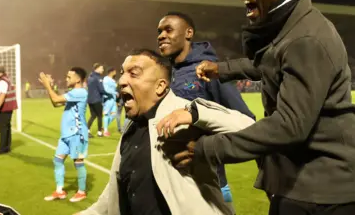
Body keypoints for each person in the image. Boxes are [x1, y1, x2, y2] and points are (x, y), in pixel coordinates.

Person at [172, 0, 355, 215]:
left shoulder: (305, 39)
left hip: (325, 182)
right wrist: (222, 70)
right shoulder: (292, 28)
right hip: (308, 175)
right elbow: (268, 63)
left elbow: (289, 126)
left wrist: (208, 148)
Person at [74, 49, 254, 215]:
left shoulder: (185, 112)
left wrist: (198, 114)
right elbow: (115, 192)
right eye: (122, 73)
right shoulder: (132, 127)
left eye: (133, 73)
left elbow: (251, 130)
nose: (121, 81)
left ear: (160, 86)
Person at [157, 11, 255, 204]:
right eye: (159, 31)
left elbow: (246, 122)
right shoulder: (163, 73)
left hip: (209, 185)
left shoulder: (208, 70)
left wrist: (206, 149)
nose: (161, 36)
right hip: (170, 182)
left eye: (168, 30)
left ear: (188, 33)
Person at [39, 67, 89, 203]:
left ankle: (81, 191)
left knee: (78, 162)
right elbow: (56, 103)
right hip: (66, 134)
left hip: (77, 134)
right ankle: (60, 191)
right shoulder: (73, 93)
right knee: (58, 160)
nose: (66, 79)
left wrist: (47, 85)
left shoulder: (80, 92)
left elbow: (55, 100)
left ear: (78, 79)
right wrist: (49, 87)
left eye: (69, 77)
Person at [0, 66, 18, 156]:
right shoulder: (6, 79)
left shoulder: (2, 81)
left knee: (3, 128)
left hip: (4, 108)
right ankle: (7, 147)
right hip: (8, 107)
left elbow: (2, 95)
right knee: (7, 127)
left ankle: (2, 149)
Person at [87, 63, 105, 137]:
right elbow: (101, 90)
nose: (103, 70)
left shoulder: (90, 77)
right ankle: (99, 132)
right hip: (97, 99)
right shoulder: (98, 78)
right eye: (101, 68)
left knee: (93, 115)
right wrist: (109, 94)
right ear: (97, 68)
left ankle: (87, 131)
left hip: (90, 100)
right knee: (100, 116)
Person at [102, 67, 118, 136]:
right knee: (106, 114)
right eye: (115, 71)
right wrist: (114, 93)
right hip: (108, 99)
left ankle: (105, 126)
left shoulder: (112, 80)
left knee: (114, 115)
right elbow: (105, 89)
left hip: (113, 100)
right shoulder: (106, 79)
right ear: (111, 72)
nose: (115, 72)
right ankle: (105, 131)